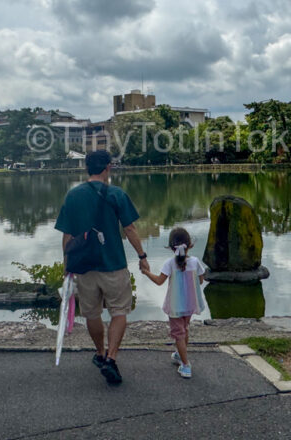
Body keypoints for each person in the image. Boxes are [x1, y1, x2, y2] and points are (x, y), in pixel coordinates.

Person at [55, 150, 150, 385]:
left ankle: (99, 352)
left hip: (84, 267)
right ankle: (111, 357)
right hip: (113, 264)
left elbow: (67, 236)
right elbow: (130, 230)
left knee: (92, 313)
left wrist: (67, 267)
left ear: (87, 168)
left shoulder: (73, 196)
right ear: (108, 167)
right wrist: (142, 255)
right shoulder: (117, 194)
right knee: (119, 311)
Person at [142, 227, 206, 379]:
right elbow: (201, 280)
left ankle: (186, 365)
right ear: (189, 244)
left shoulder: (169, 264)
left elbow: (159, 281)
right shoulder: (195, 262)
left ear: (171, 247)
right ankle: (179, 355)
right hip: (190, 304)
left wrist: (146, 272)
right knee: (184, 330)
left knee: (178, 334)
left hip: (176, 306)